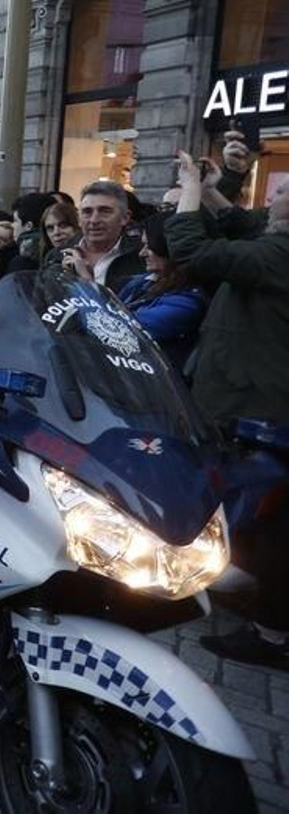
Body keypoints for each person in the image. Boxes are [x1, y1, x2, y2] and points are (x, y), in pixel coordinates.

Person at [166, 150, 289, 669]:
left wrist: (191, 185)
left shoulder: (280, 254)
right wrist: (217, 186)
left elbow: (192, 248)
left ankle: (272, 632)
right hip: (253, 401)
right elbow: (242, 221)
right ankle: (258, 602)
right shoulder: (273, 242)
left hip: (259, 409)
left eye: (283, 193)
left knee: (272, 525)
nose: (274, 194)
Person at [115, 212, 207, 373]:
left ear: (167, 247)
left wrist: (86, 286)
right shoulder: (141, 282)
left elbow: (124, 329)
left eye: (149, 246)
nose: (142, 253)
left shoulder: (188, 303)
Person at [41, 180, 144, 293]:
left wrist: (88, 282)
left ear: (125, 217)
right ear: (78, 219)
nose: (94, 220)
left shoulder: (141, 257)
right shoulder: (56, 256)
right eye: (87, 212)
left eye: (105, 211)